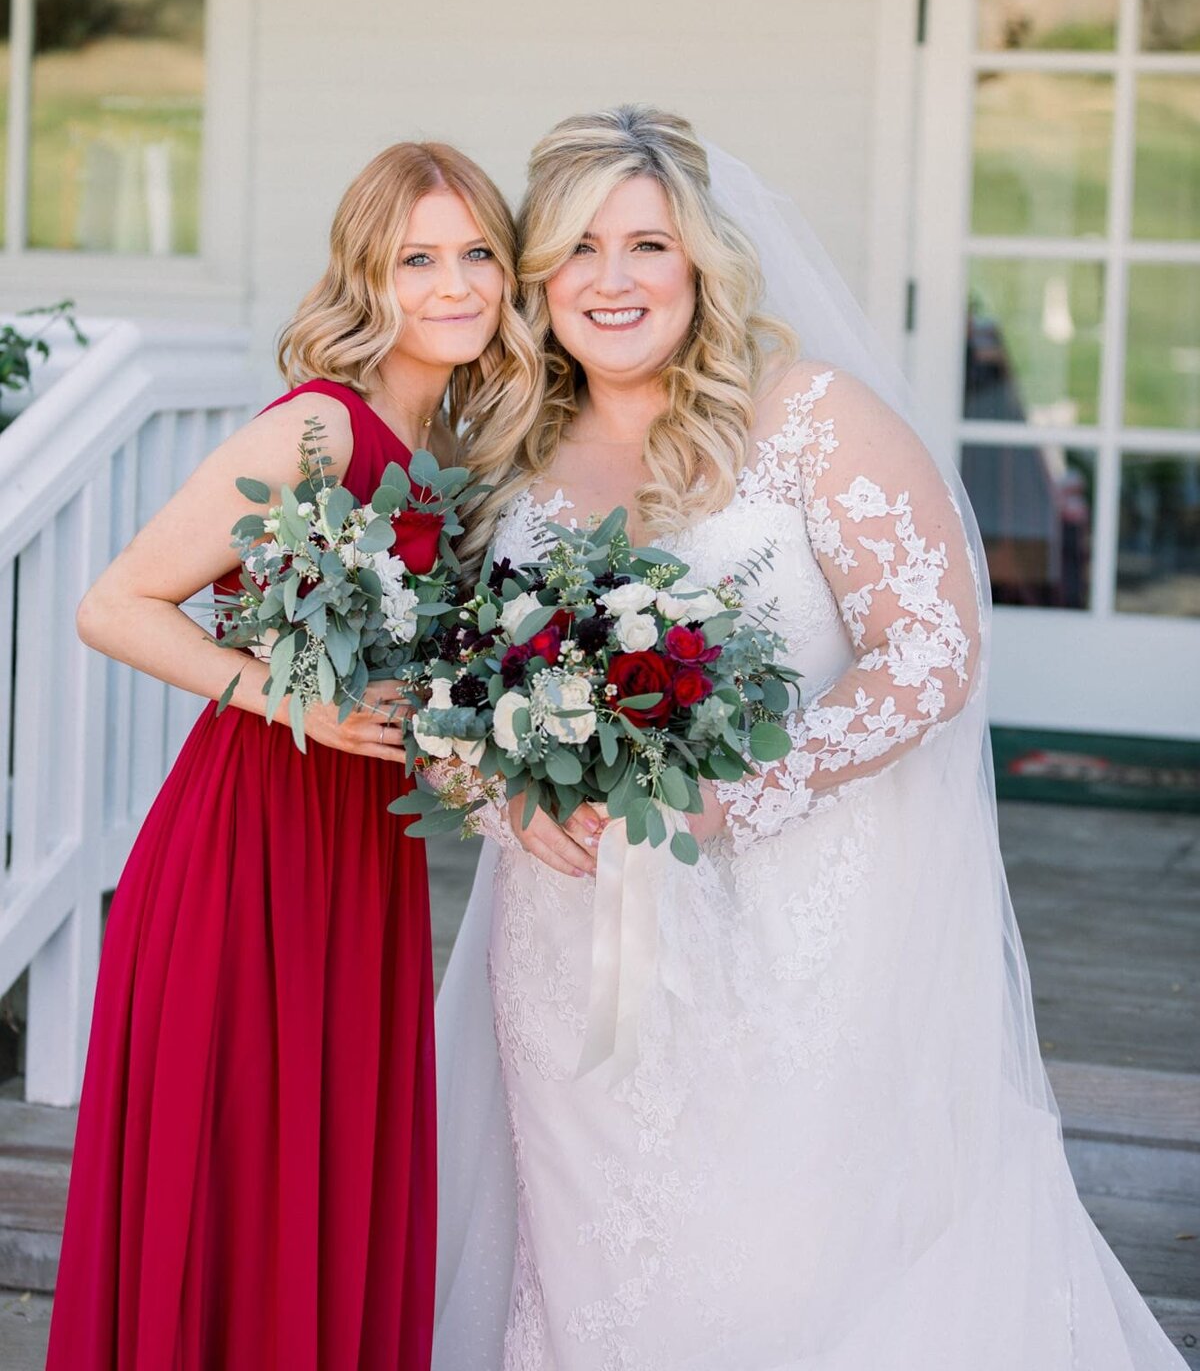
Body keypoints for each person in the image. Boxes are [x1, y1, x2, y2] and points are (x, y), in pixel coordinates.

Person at [433, 107, 1187, 1369]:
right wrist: (501, 790)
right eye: (577, 252)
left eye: (647, 246)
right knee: (593, 1246)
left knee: (788, 1252)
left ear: (701, 264)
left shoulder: (809, 420)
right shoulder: (504, 450)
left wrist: (730, 795)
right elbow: (455, 679)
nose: (611, 282)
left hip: (796, 924)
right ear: (536, 281)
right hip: (567, 930)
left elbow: (934, 649)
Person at [47, 141, 536, 1371]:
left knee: (325, 1160)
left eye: (478, 253)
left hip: (357, 856)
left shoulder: (449, 460)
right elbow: (114, 604)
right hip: (247, 843)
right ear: (368, 274)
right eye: (419, 257)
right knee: (238, 1165)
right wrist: (291, 703)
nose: (455, 283)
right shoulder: (322, 426)